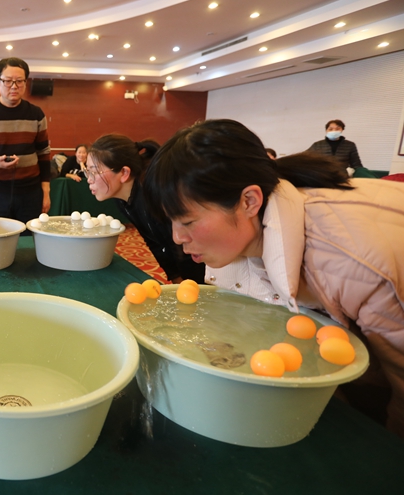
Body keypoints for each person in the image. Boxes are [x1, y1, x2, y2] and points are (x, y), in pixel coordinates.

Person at [143, 118, 404, 438]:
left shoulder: (352, 260)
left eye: (187, 221)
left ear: (249, 201)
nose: (177, 238)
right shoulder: (255, 227)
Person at [86, 134, 205, 284]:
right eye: (87, 171)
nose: (89, 179)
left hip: (202, 261)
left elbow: (183, 243)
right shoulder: (122, 200)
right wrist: (175, 277)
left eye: (95, 172)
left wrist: (191, 283)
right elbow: (153, 241)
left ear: (124, 173)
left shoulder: (154, 196)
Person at [0, 57, 51, 224]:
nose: (14, 86)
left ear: (25, 82)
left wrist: (46, 191)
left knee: (29, 236)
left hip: (31, 192)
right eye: (8, 81)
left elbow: (43, 153)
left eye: (19, 81)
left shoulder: (36, 114)